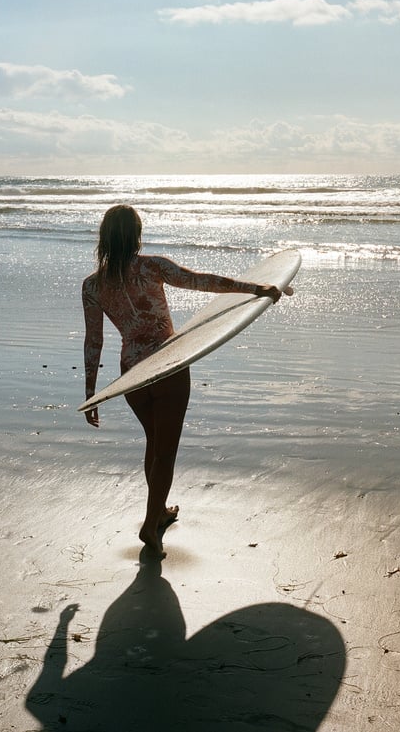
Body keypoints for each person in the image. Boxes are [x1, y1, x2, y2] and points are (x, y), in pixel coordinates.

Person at [82, 204, 282, 557]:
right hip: (168, 365)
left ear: (105, 239)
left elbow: (94, 340)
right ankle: (150, 526)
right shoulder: (151, 267)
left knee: (153, 443)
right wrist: (257, 288)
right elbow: (201, 281)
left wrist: (93, 392)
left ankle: (158, 512)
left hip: (132, 373)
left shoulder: (93, 286)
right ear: (137, 235)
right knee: (166, 451)